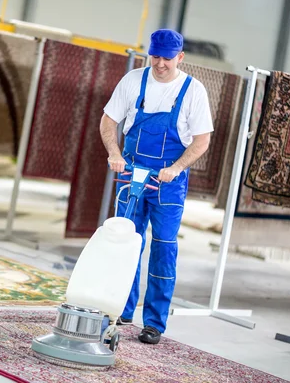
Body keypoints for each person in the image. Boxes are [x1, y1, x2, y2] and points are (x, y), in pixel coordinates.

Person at [100, 29, 213, 344]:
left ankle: (154, 323)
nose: (160, 64)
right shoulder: (133, 81)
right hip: (132, 173)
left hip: (168, 182)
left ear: (180, 57)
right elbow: (109, 121)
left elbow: (202, 140)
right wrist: (114, 153)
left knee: (163, 246)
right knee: (126, 240)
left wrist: (176, 168)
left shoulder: (193, 91)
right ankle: (120, 308)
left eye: (167, 58)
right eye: (155, 57)